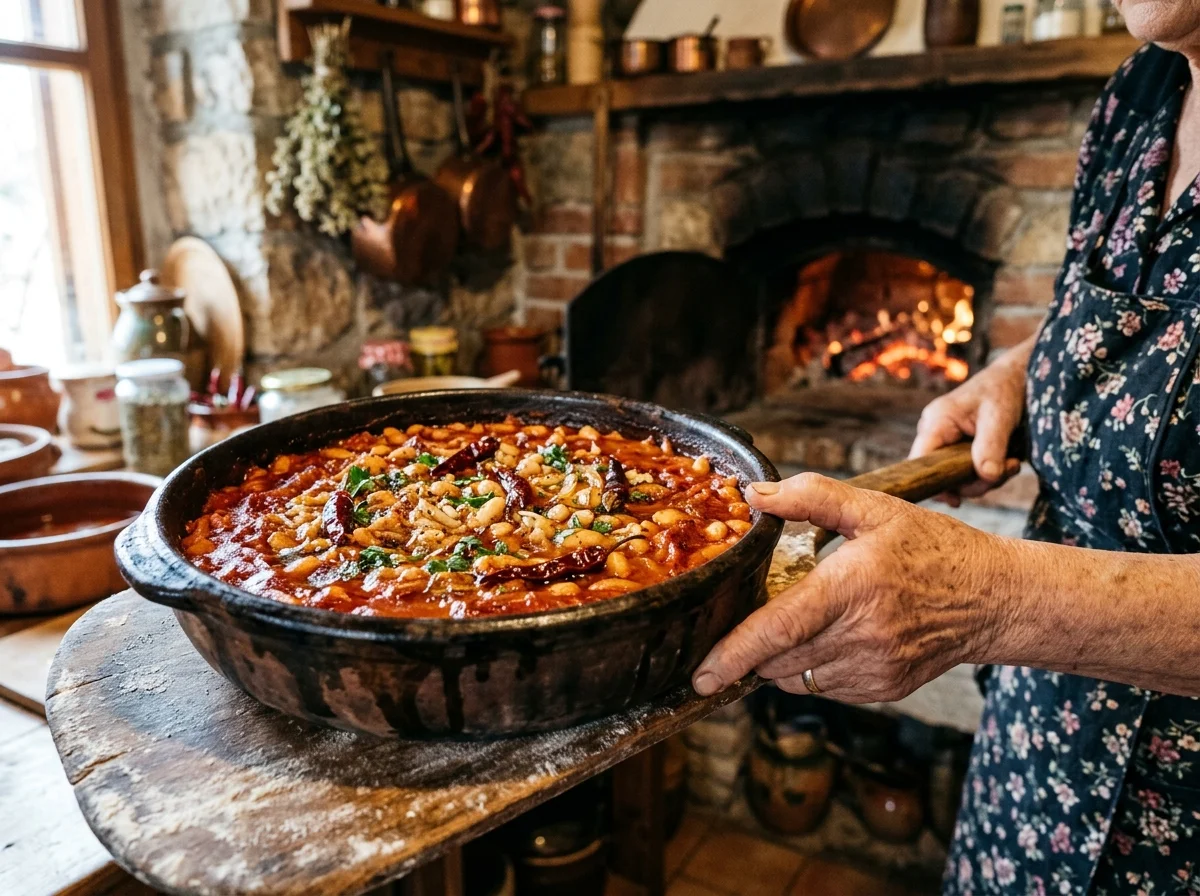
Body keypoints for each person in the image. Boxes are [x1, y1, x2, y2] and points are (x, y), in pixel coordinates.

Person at [692, 5, 1200, 893]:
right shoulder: (1143, 90)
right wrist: (1022, 369)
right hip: (1043, 742)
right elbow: (1122, 322)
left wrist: (991, 601)